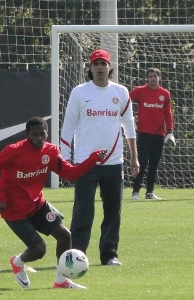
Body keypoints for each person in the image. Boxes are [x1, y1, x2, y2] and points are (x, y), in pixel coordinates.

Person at [0, 116, 107, 289]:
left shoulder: (50, 151)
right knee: (39, 250)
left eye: (42, 134)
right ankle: (17, 262)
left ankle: (61, 280)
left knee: (65, 236)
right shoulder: (14, 150)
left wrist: (93, 159)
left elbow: (70, 174)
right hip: (14, 211)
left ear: (47, 133)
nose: (39, 138)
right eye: (34, 134)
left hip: (37, 205)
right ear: (28, 135)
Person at [60, 49, 139, 267]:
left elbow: (129, 126)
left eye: (103, 63)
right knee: (83, 212)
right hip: (85, 162)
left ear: (110, 67)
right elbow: (68, 128)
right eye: (96, 64)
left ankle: (109, 255)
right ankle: (77, 254)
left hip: (114, 163)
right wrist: (65, 160)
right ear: (90, 68)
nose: (100, 67)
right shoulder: (79, 92)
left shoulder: (121, 92)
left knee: (113, 211)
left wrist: (134, 157)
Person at [129, 68, 175, 200]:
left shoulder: (164, 94)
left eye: (155, 76)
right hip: (143, 134)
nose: (153, 79)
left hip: (159, 134)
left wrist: (170, 131)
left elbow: (168, 114)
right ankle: (135, 192)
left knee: (154, 164)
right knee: (141, 163)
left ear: (159, 78)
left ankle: (149, 192)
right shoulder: (140, 91)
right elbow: (126, 100)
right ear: (147, 79)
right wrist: (130, 118)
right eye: (150, 76)